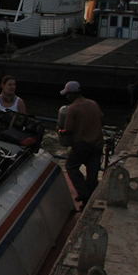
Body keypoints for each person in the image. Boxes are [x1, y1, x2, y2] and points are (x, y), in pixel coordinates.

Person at [58, 81, 104, 210]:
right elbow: (102, 121)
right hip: (97, 144)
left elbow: (68, 129)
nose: (67, 97)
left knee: (71, 166)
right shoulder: (93, 104)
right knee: (92, 174)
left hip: (82, 145)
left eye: (67, 95)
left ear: (72, 95)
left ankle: (84, 194)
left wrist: (59, 130)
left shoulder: (73, 108)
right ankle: (90, 201)